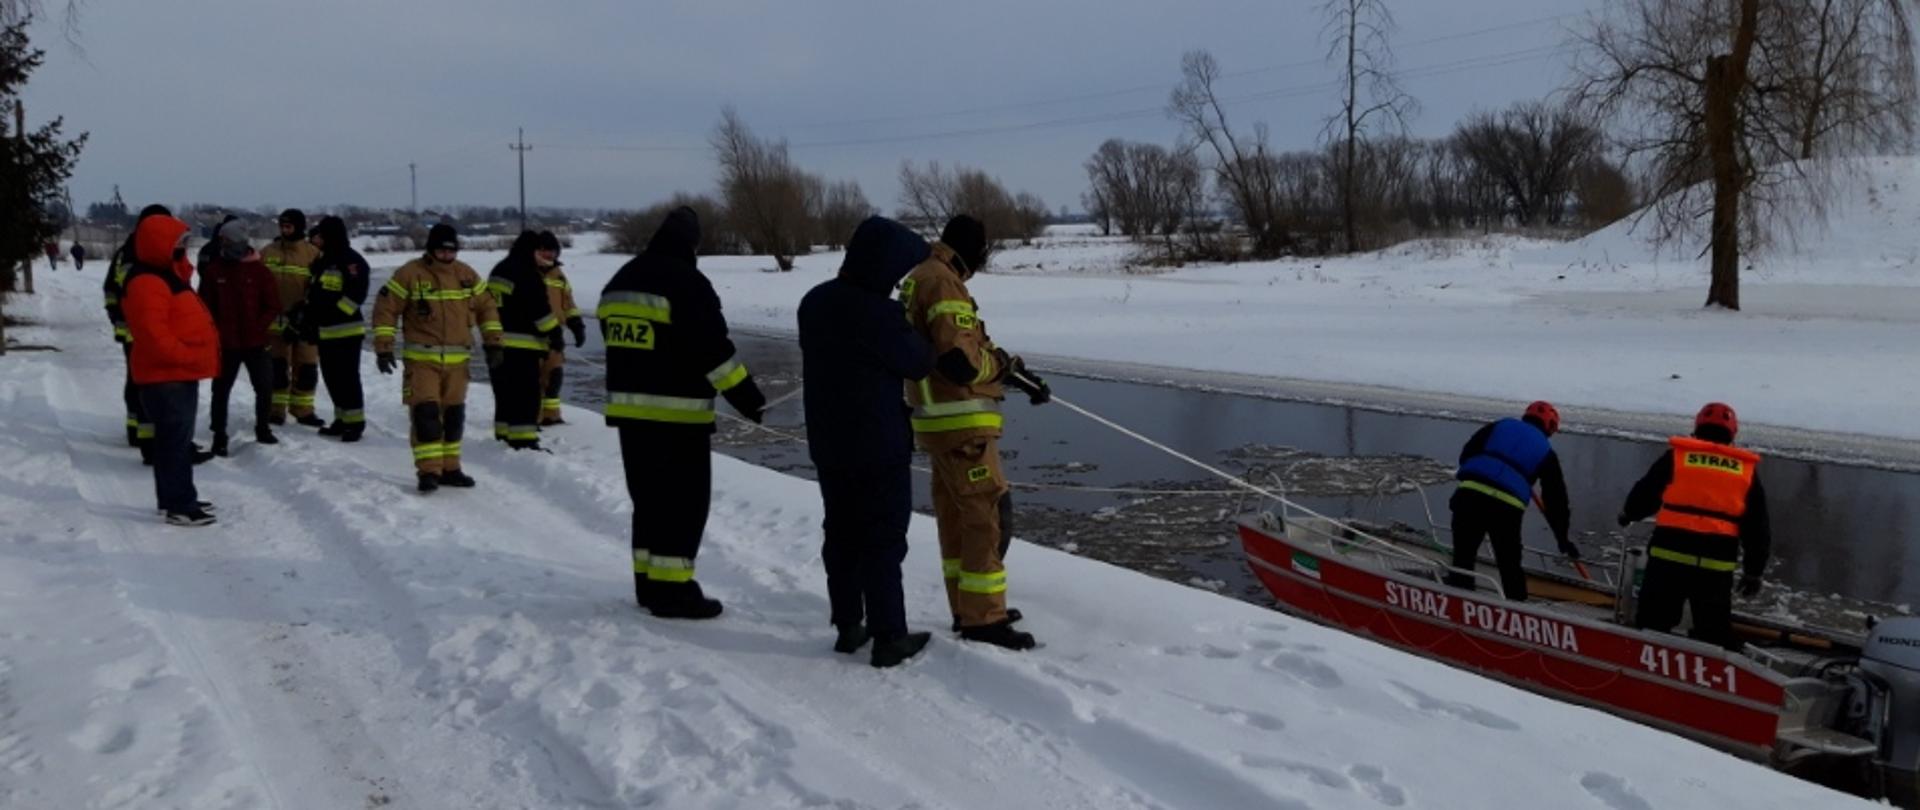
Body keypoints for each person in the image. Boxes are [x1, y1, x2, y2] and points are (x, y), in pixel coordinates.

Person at [597, 207, 766, 620]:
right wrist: (747, 397)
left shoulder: (622, 278)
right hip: (677, 417)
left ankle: (648, 583)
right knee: (683, 504)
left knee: (649, 501)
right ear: (692, 244)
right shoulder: (686, 282)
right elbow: (711, 348)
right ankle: (673, 592)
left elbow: (611, 332)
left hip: (629, 414)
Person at [900, 214, 1050, 651]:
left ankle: (968, 606)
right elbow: (960, 363)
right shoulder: (944, 282)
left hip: (938, 423)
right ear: (973, 249)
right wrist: (997, 368)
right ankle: (984, 617)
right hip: (961, 427)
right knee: (987, 517)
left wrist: (1015, 373)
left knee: (956, 519)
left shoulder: (923, 276)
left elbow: (962, 346)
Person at [800, 216, 936, 667]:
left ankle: (848, 625)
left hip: (828, 441)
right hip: (877, 445)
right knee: (881, 537)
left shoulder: (815, 302)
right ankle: (889, 635)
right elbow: (915, 361)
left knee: (840, 532)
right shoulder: (876, 313)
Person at [1618, 402, 1771, 650]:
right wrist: (1754, 571)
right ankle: (1710, 679)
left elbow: (1645, 493)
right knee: (1712, 634)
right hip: (1714, 567)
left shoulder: (1677, 457)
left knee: (1652, 626)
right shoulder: (1745, 471)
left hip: (1668, 559)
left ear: (1697, 427)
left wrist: (1628, 513)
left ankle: (1646, 672)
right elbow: (1757, 527)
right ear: (1732, 434)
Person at [372, 224, 502, 493]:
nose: (446, 255)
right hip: (422, 361)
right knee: (426, 414)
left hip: (458, 364)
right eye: (441, 250)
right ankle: (429, 471)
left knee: (453, 416)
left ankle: (450, 468)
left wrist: (494, 343)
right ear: (431, 249)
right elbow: (386, 310)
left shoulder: (466, 275)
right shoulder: (410, 274)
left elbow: (487, 308)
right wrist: (384, 347)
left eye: (451, 250)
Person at [120, 213, 221, 525]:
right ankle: (180, 504)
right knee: (174, 443)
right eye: (178, 244)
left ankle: (175, 497)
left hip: (174, 374)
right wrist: (186, 357)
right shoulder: (147, 282)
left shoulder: (163, 275)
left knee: (173, 440)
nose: (184, 249)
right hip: (167, 375)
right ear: (158, 245)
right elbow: (153, 335)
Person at [1442, 401, 1577, 601]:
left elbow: (1467, 453)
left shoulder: (1500, 425)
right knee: (1509, 565)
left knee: (1463, 557)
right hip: (1506, 509)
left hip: (1470, 496)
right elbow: (1556, 500)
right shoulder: (1546, 451)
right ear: (1549, 428)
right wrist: (1562, 539)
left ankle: (1460, 599)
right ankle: (1518, 609)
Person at [197, 223, 281, 456]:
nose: (222, 245)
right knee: (221, 391)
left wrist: (259, 326)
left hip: (256, 342)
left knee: (264, 387)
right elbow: (204, 306)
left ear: (238, 243)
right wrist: (214, 332)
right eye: (222, 241)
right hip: (226, 344)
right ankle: (219, 435)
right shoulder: (215, 271)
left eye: (226, 241)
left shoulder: (260, 271)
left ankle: (263, 429)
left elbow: (273, 305)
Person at [486, 231, 561, 450]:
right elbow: (540, 311)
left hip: (496, 344)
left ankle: (503, 435)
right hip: (522, 346)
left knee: (504, 393)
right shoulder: (527, 274)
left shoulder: (499, 269)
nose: (545, 256)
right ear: (531, 251)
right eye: (540, 251)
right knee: (526, 395)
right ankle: (524, 441)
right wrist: (554, 334)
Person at [104, 205, 169, 456]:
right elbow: (113, 291)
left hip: (142, 331)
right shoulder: (138, 253)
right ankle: (145, 435)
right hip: (141, 332)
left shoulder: (129, 251)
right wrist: (119, 319)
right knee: (144, 383)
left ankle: (138, 431)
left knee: (139, 381)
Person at [301, 216, 370, 441]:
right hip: (326, 332)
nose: (317, 239)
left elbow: (356, 296)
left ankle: (355, 423)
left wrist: (332, 315)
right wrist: (310, 319)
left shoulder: (352, 261)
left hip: (346, 331)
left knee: (347, 378)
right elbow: (314, 294)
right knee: (331, 378)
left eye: (322, 234)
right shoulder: (322, 260)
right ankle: (341, 419)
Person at [261, 208, 324, 427]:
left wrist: (306, 313)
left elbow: (320, 289)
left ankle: (303, 410)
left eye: (289, 226)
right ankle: (275, 410)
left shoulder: (313, 254)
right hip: (275, 324)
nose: (284, 230)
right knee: (278, 369)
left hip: (305, 323)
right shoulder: (267, 253)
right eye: (282, 226)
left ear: (299, 227)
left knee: (306, 368)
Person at [537, 231, 585, 426]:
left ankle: (551, 416)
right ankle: (532, 418)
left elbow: (568, 303)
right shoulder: (525, 271)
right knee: (532, 381)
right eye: (544, 250)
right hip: (532, 337)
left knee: (554, 377)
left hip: (555, 338)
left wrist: (576, 325)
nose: (549, 255)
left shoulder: (559, 276)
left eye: (552, 251)